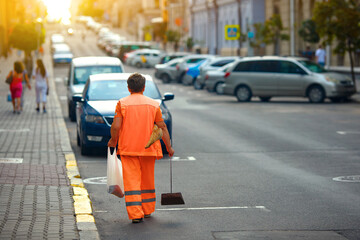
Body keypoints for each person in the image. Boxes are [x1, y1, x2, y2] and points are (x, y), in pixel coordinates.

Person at [108, 73, 174, 224]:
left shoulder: (122, 103)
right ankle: (148, 209)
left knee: (132, 182)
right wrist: (169, 147)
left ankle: (136, 214)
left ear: (128, 87)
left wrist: (113, 141)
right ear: (144, 87)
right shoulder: (153, 104)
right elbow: (162, 127)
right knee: (147, 180)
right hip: (149, 149)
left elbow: (116, 126)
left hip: (128, 148)